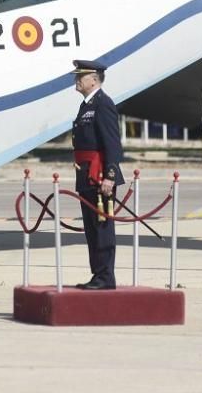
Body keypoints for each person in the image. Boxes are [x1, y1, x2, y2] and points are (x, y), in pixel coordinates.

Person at [70, 59, 125, 290]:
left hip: (99, 175)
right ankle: (97, 275)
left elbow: (112, 143)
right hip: (86, 176)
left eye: (80, 76)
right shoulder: (86, 105)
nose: (76, 80)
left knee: (102, 228)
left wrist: (110, 177)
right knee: (91, 229)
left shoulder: (103, 104)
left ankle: (105, 277)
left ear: (93, 79)